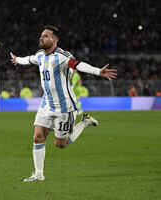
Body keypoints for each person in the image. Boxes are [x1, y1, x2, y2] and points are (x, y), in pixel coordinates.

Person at [10, 25, 117, 181]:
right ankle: (39, 174)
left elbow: (78, 64)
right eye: (41, 35)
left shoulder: (62, 56)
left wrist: (97, 71)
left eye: (45, 36)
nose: (41, 38)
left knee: (60, 144)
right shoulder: (40, 55)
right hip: (46, 104)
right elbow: (28, 59)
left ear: (55, 40)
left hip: (64, 107)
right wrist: (17, 60)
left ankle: (85, 122)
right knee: (38, 137)